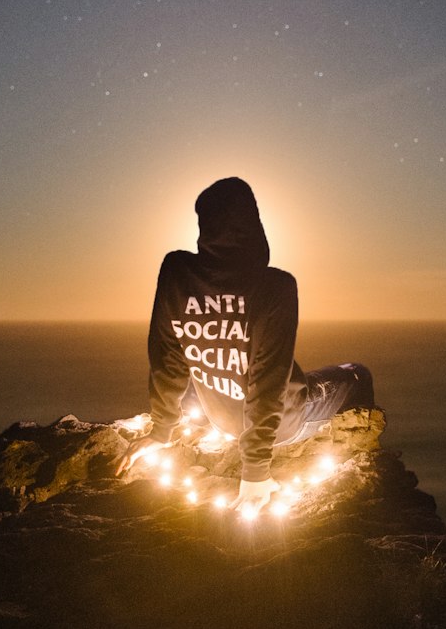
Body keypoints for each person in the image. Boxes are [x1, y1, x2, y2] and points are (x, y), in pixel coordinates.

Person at [119, 176, 374, 515]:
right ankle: (366, 469)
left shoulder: (175, 271)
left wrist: (162, 430)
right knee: (357, 374)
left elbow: (168, 357)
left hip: (219, 415)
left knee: (201, 368)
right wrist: (255, 474)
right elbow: (268, 380)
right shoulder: (276, 286)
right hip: (280, 424)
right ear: (254, 224)